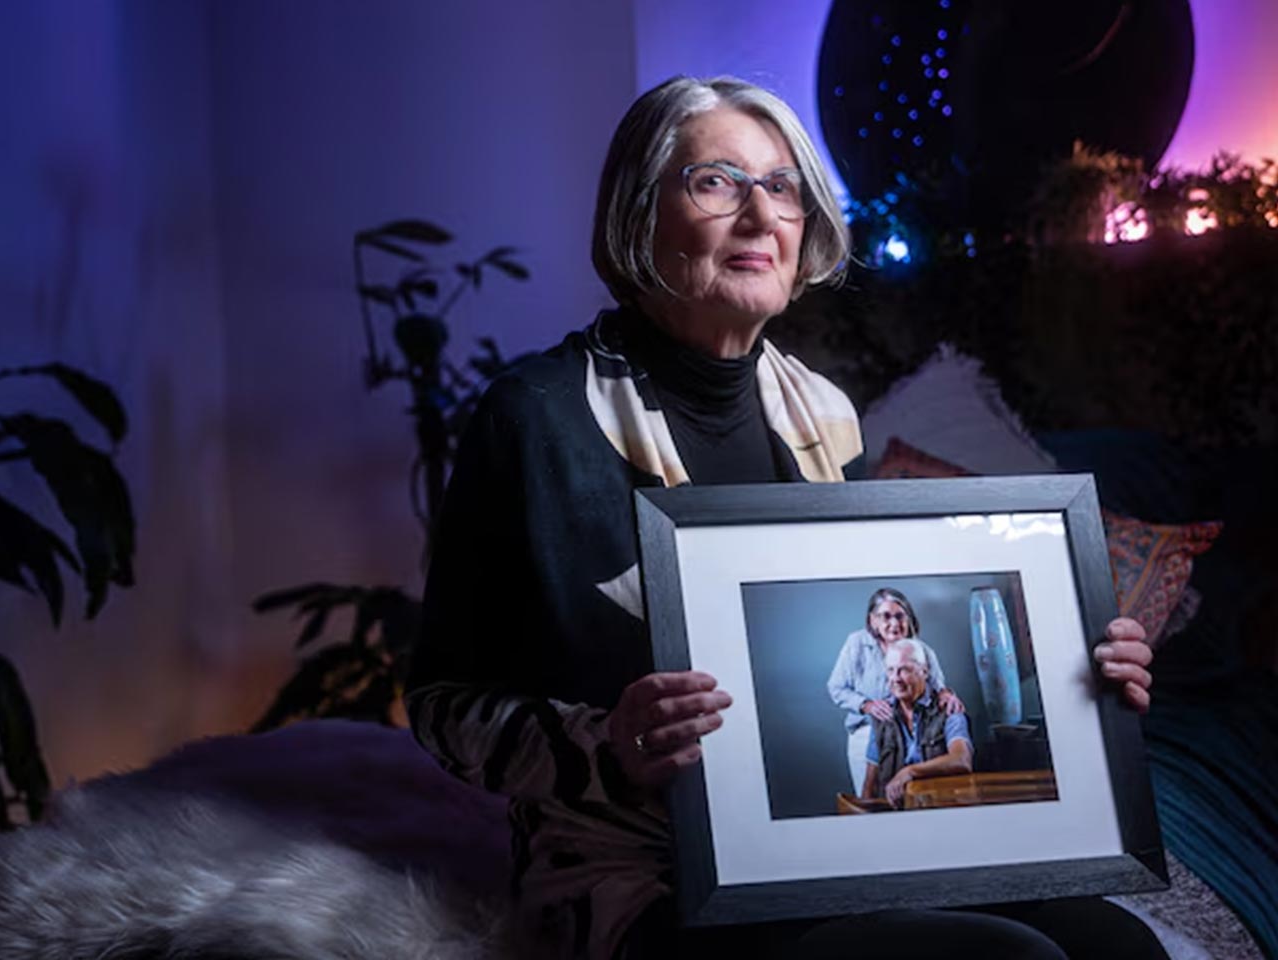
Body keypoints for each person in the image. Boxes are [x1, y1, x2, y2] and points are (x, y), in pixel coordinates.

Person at [407, 75, 1161, 960]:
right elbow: (440, 705)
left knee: (1118, 948)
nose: (762, 215)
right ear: (635, 214)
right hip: (632, 861)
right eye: (717, 181)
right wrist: (607, 743)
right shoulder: (532, 418)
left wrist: (1080, 675)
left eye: (783, 187)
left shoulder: (826, 413)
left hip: (818, 842)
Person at [827, 587, 964, 794]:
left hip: (911, 734)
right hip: (867, 734)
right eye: (886, 616)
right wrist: (867, 705)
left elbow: (938, 688)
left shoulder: (923, 650)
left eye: (900, 616)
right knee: (872, 796)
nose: (894, 623)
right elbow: (836, 687)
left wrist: (946, 693)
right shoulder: (857, 643)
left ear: (909, 619)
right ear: (873, 620)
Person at [862, 640, 974, 808]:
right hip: (894, 815)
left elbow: (962, 760)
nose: (895, 678)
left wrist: (910, 772)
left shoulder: (948, 708)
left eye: (904, 670)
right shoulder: (881, 715)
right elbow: (870, 785)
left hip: (942, 808)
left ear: (924, 671)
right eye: (891, 670)